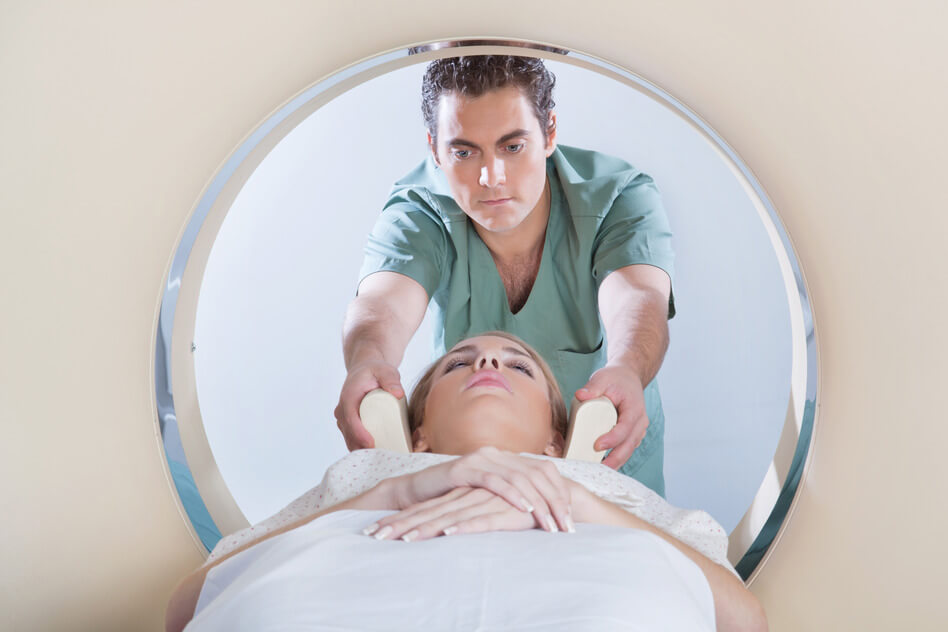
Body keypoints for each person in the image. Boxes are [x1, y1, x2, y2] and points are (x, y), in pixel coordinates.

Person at [168, 334, 767, 632]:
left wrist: (574, 497)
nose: (486, 363)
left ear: (554, 442)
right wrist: (399, 490)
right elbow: (187, 609)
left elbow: (745, 622)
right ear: (419, 432)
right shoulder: (362, 477)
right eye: (459, 362)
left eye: (518, 365)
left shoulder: (604, 489)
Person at [335, 55, 676, 495]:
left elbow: (638, 298)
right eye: (463, 151)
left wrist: (628, 367)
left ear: (549, 132)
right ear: (434, 149)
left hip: (607, 450)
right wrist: (367, 360)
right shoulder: (419, 209)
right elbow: (382, 305)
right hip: (471, 471)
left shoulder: (617, 195)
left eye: (512, 147)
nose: (490, 178)